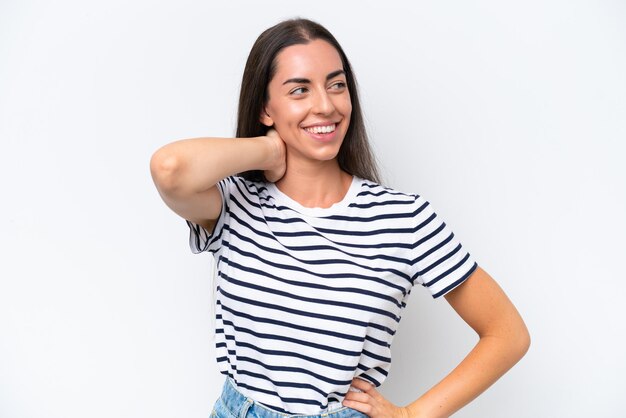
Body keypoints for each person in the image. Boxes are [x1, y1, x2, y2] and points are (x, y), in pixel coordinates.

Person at [150, 18, 530, 418]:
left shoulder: (404, 217)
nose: (326, 105)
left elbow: (508, 334)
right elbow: (170, 168)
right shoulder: (235, 202)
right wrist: (269, 152)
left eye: (336, 85)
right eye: (300, 90)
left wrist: (412, 415)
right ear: (265, 108)